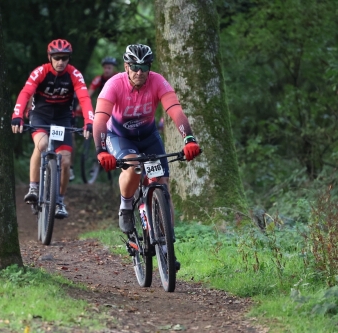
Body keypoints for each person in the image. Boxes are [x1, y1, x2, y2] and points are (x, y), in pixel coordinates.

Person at [92, 44, 201, 267]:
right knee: (133, 167)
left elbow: (175, 111)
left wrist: (188, 139)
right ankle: (125, 205)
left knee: (162, 183)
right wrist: (101, 150)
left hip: (149, 136)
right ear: (126, 66)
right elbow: (100, 118)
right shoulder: (114, 84)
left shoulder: (158, 81)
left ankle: (167, 245)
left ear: (149, 67)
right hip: (120, 136)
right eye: (134, 67)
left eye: (144, 67)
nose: (139, 72)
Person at [11, 39, 94, 219]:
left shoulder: (74, 74)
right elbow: (26, 92)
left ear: (69, 59)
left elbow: (84, 98)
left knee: (65, 162)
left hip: (63, 118)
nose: (60, 62)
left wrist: (89, 121)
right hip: (41, 115)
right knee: (42, 145)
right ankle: (33, 187)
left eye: (64, 58)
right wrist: (17, 115)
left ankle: (59, 201)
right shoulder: (40, 71)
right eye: (56, 58)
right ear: (50, 57)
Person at [69, 56, 118, 180]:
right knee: (95, 128)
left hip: (117, 111)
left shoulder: (118, 78)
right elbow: (89, 93)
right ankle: (97, 154)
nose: (107, 70)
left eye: (109, 68)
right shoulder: (99, 79)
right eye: (105, 68)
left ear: (113, 68)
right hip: (103, 111)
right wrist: (80, 107)